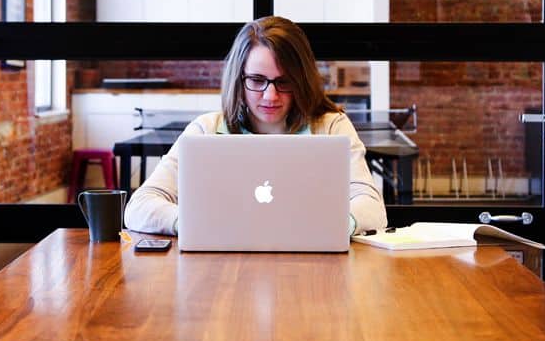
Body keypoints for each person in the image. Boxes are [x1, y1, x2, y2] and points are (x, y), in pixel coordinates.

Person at [124, 16, 387, 236]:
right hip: (221, 269)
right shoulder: (206, 130)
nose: (270, 96)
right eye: (257, 80)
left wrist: (330, 227)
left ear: (301, 80)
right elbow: (139, 207)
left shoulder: (331, 127)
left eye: (284, 82)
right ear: (239, 79)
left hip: (312, 268)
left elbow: (373, 209)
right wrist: (194, 224)